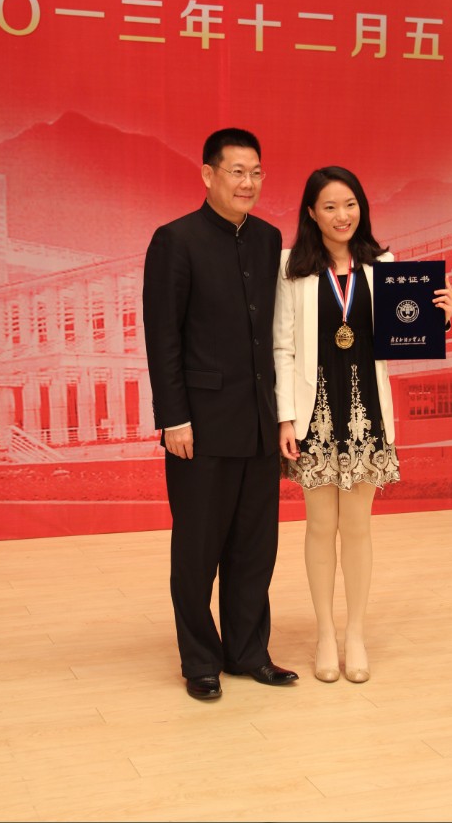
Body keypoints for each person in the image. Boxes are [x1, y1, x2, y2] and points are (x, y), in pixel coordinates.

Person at [273, 166, 452, 683]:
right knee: (319, 527)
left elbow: (407, 334)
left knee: (357, 527)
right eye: (330, 206)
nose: (342, 215)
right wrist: (285, 416)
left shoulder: (386, 267)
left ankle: (355, 633)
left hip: (366, 415)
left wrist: (441, 315)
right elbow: (282, 347)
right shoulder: (291, 267)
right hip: (314, 415)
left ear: (362, 208)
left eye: (350, 204)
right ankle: (324, 635)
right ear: (311, 213)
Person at [143, 127, 298, 701]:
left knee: (254, 549)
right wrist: (173, 418)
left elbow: (280, 330)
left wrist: (282, 416)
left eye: (256, 172)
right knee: (197, 550)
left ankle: (248, 652)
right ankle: (200, 660)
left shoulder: (268, 239)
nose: (247, 182)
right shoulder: (175, 240)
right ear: (208, 174)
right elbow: (163, 337)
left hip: (258, 423)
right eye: (236, 171)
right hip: (200, 426)